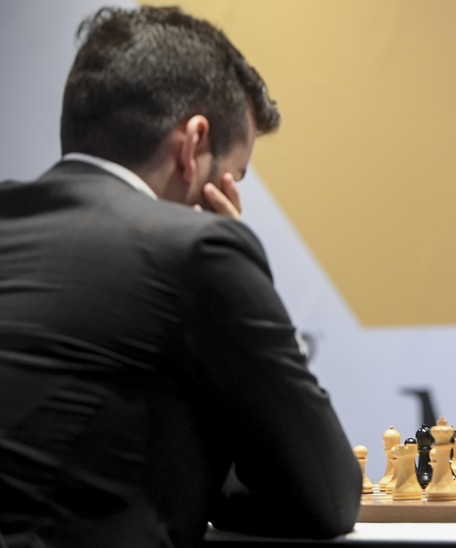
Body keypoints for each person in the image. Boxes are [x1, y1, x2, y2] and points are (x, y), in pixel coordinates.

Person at [0, 6, 361, 547]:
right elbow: (327, 494)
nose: (232, 197)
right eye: (233, 177)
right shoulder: (199, 251)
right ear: (193, 145)